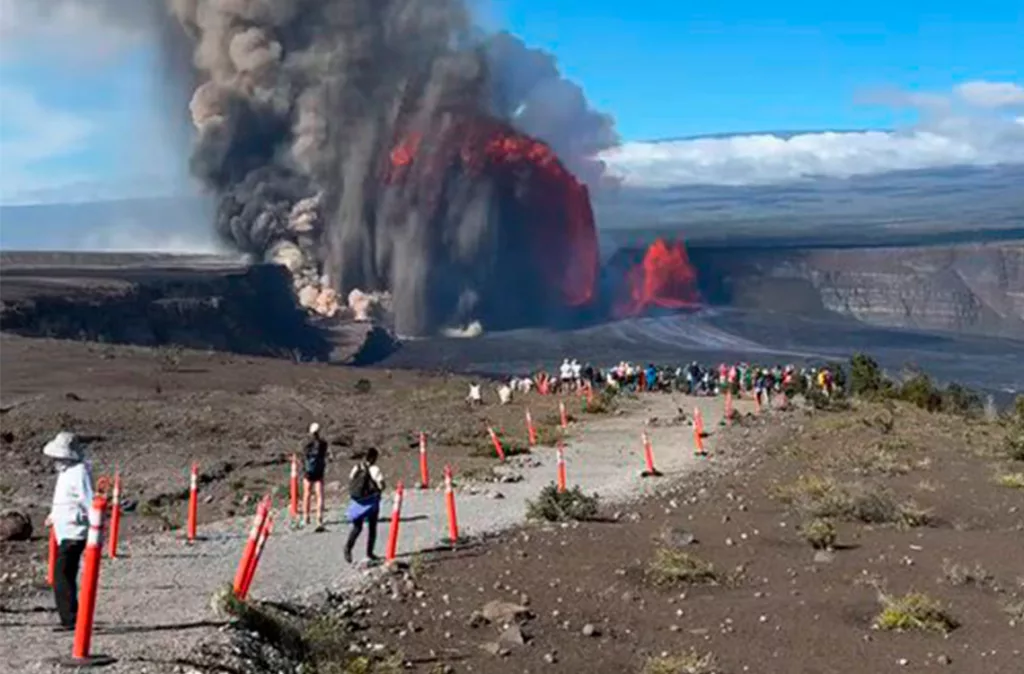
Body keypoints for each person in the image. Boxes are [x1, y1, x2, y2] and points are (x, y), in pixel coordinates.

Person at [44, 431, 93, 631]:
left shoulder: (79, 471)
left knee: (62, 575)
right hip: (65, 531)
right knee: (65, 574)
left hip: (75, 532)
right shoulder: (66, 473)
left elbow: (86, 499)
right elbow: (65, 501)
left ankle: (71, 619)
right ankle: (71, 617)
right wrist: (54, 516)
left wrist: (95, 525)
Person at [344, 448, 386, 564]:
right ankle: (370, 553)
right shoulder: (374, 469)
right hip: (371, 501)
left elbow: (351, 479)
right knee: (372, 528)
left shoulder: (356, 467)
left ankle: (348, 548)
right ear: (373, 458)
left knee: (357, 527)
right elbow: (381, 484)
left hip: (358, 502)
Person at [302, 422, 328, 531]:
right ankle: (319, 518)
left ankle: (306, 517)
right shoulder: (323, 443)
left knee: (307, 494)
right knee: (319, 495)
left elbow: (305, 455)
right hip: (319, 470)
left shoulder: (307, 443)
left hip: (309, 471)